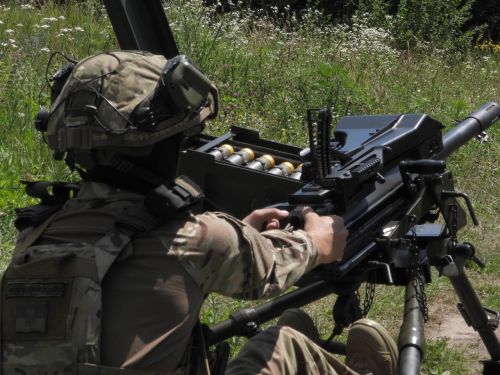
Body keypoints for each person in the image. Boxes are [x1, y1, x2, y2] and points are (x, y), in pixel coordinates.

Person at [1, 51, 398, 375]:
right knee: (281, 346)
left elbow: (149, 271)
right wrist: (317, 240)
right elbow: (282, 263)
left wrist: (237, 234)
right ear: (163, 146)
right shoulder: (200, 241)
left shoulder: (36, 237)